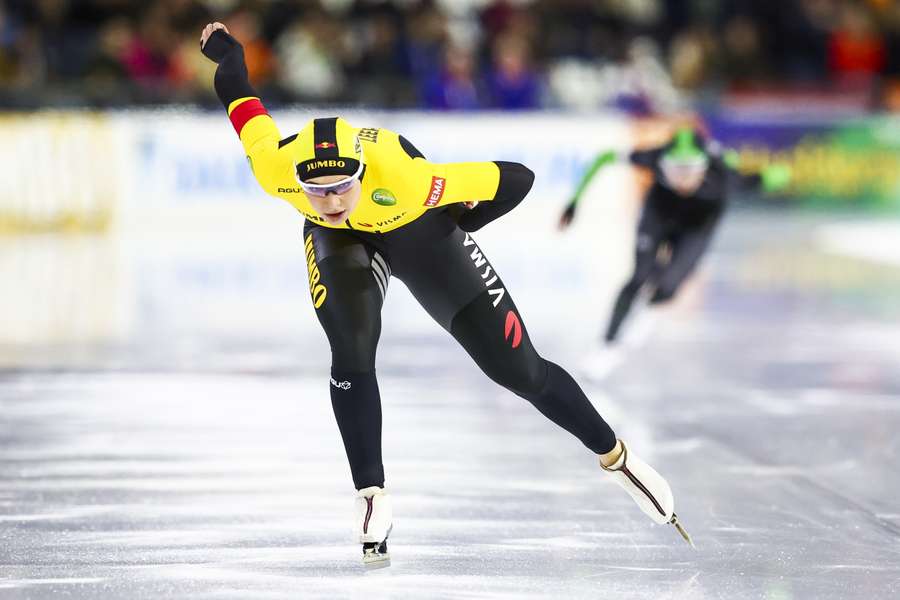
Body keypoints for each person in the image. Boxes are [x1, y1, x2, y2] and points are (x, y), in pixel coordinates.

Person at [199, 22, 692, 567]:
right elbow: (238, 92)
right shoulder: (276, 168)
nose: (332, 199)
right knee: (352, 343)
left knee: (519, 371)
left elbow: (517, 178)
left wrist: (468, 221)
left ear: (363, 172)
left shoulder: (410, 178)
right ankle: (372, 495)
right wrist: (227, 48)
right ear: (300, 182)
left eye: (342, 186)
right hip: (339, 246)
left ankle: (616, 458)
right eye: (317, 191)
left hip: (421, 231)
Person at [560, 127, 791, 361]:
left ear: (704, 167)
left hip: (697, 226)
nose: (682, 179)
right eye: (675, 171)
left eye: (689, 171)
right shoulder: (654, 156)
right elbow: (604, 158)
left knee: (669, 288)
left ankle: (652, 301)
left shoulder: (723, 174)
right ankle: (607, 343)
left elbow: (766, 177)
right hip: (659, 214)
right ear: (663, 165)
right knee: (638, 277)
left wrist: (781, 174)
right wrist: (574, 202)